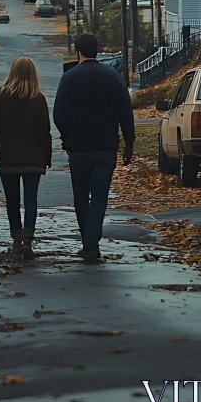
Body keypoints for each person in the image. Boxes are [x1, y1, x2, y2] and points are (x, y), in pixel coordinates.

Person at [53, 33, 135, 261]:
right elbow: (125, 112)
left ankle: (88, 242)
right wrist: (129, 144)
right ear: (96, 51)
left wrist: (67, 136)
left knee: (81, 196)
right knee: (99, 197)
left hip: (78, 148)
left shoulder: (69, 78)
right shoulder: (113, 76)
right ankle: (92, 242)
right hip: (105, 147)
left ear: (78, 51)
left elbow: (58, 113)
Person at [0, 56, 52, 260]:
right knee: (31, 200)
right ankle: (29, 240)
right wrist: (46, 156)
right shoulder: (38, 98)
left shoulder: (0, 96)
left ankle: (16, 241)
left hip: (8, 159)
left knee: (12, 201)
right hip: (33, 160)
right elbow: (44, 132)